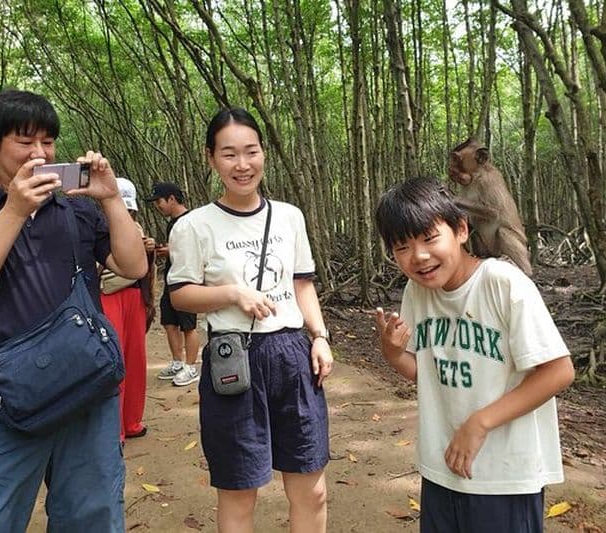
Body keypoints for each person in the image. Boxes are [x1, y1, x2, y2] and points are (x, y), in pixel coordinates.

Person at [0, 89, 147, 532]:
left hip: (87, 389)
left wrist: (108, 199)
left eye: (47, 142)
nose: (40, 153)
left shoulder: (76, 211)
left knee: (92, 519)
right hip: (5, 397)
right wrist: (14, 208)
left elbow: (133, 265)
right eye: (24, 141)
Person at [373, 177, 575, 533]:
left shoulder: (503, 284)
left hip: (504, 476)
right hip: (442, 468)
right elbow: (427, 371)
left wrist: (479, 423)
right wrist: (392, 352)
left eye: (429, 238)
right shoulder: (417, 292)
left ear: (461, 230)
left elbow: (558, 370)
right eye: (402, 247)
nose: (418, 256)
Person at [166, 107, 333, 532]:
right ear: (211, 158)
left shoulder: (289, 216)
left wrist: (319, 335)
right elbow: (180, 293)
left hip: (293, 354)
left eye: (251, 152)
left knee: (311, 486)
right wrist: (233, 294)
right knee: (240, 490)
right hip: (233, 359)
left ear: (263, 154)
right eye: (229, 154)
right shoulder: (192, 226)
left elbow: (302, 284)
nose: (243, 165)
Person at [100, 177, 156, 441]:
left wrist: (148, 250)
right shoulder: (97, 225)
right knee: (113, 359)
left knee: (136, 359)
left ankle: (131, 420)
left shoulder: (138, 227)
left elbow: (144, 269)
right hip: (107, 295)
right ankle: (114, 429)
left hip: (134, 295)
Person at [146, 182, 200, 387]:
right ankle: (177, 361)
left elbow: (196, 250)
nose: (157, 206)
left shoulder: (191, 221)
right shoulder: (172, 223)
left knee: (188, 324)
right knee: (169, 321)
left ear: (171, 199)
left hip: (187, 279)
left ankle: (191, 365)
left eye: (159, 201)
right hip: (171, 278)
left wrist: (171, 251)